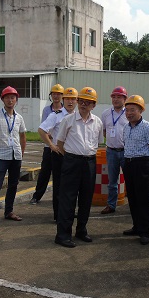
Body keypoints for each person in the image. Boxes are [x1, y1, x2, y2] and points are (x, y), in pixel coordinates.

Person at [54, 87, 103, 248]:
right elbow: (60, 143)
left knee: (86, 198)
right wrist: (71, 158)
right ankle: (62, 235)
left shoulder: (97, 122)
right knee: (68, 199)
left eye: (88, 102)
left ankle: (81, 230)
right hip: (71, 162)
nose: (83, 104)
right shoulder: (68, 120)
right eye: (81, 101)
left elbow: (97, 143)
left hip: (90, 163)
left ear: (93, 105)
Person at [0, 86, 27, 228]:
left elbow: (23, 136)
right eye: (7, 97)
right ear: (2, 99)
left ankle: (9, 211)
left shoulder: (19, 118)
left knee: (13, 185)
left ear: (16, 100)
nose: (10, 100)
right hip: (1, 156)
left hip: (16, 156)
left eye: (13, 97)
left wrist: (21, 152)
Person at [121, 95, 149, 245]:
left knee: (144, 199)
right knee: (133, 197)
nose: (129, 113)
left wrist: (145, 160)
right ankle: (136, 226)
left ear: (141, 110)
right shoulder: (126, 127)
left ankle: (145, 232)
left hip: (143, 165)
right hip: (129, 164)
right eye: (127, 110)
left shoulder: (147, 127)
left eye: (133, 110)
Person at [38, 87, 78, 221]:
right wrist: (51, 145)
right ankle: (58, 215)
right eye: (68, 99)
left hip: (73, 155)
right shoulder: (56, 115)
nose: (70, 102)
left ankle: (70, 211)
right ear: (63, 100)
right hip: (59, 155)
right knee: (59, 186)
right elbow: (42, 130)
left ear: (77, 101)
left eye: (73, 99)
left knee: (72, 185)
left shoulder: (78, 116)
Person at [30, 84, 64, 205]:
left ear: (62, 96)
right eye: (54, 94)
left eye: (58, 94)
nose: (56, 96)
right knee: (45, 172)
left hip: (61, 148)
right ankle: (37, 196)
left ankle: (59, 199)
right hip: (48, 146)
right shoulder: (46, 110)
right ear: (51, 96)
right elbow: (44, 127)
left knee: (60, 175)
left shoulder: (65, 111)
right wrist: (49, 136)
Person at [100, 86, 129, 214]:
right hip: (111, 151)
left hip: (126, 151)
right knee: (112, 181)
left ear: (125, 99)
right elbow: (104, 131)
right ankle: (111, 205)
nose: (116, 99)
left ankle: (133, 205)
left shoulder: (128, 113)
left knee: (130, 179)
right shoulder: (106, 114)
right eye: (114, 97)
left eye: (119, 97)